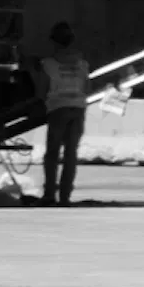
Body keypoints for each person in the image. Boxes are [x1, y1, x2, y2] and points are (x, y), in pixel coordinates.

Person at [36, 17, 91, 204]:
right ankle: (65, 196)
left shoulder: (48, 64)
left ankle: (49, 194)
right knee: (70, 154)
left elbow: (41, 91)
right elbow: (87, 88)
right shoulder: (82, 64)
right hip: (77, 109)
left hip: (58, 110)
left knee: (52, 154)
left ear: (53, 41)